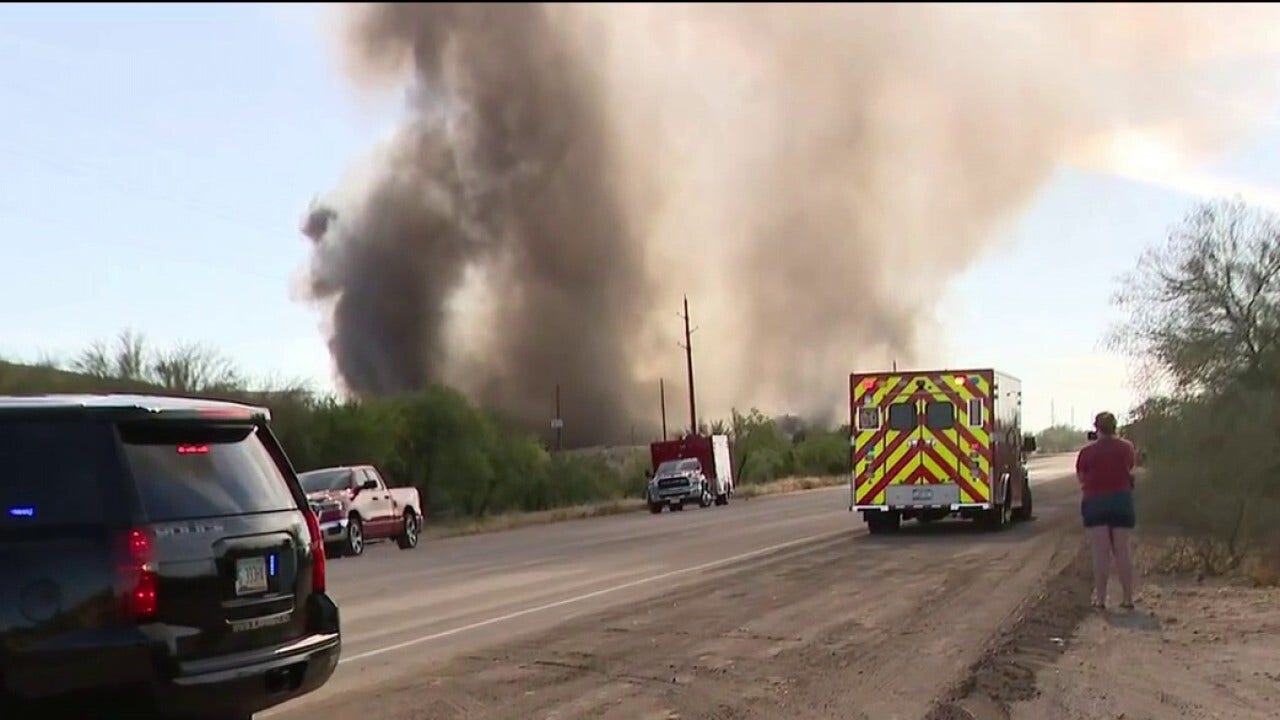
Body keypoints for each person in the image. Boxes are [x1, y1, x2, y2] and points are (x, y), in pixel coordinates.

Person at [1075, 411, 1137, 610]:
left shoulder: (1086, 452)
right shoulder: (1127, 447)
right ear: (1115, 427)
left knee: (1100, 553)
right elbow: (1130, 467)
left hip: (1095, 502)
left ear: (1096, 428)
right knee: (1123, 551)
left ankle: (1101, 599)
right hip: (1121, 500)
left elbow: (1081, 477)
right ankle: (1128, 598)